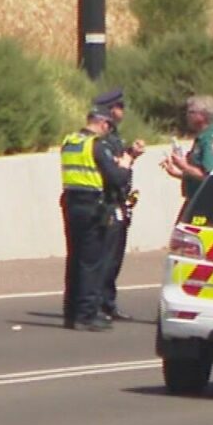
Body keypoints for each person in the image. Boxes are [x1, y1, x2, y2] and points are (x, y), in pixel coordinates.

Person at [61, 89, 137, 332]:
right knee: (91, 262)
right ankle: (86, 315)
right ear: (103, 123)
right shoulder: (96, 145)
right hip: (93, 206)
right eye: (108, 126)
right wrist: (126, 163)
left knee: (74, 260)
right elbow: (116, 177)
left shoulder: (70, 142)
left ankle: (71, 312)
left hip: (71, 204)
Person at [98, 92, 145, 322]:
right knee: (106, 258)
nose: (123, 111)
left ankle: (109, 303)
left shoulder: (114, 137)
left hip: (120, 200)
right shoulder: (103, 140)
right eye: (120, 107)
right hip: (108, 203)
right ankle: (99, 304)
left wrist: (131, 154)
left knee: (115, 259)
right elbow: (113, 170)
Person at [161, 94, 213, 207]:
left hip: (208, 204)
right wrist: (177, 172)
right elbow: (197, 175)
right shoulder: (202, 137)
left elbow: (210, 176)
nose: (187, 116)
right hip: (195, 200)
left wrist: (183, 165)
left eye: (191, 112)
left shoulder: (212, 139)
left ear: (202, 115)